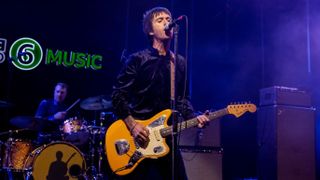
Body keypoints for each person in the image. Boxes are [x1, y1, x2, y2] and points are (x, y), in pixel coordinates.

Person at [112, 7, 209, 180]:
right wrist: (133, 125)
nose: (166, 22)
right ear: (150, 31)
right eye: (160, 20)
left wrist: (194, 118)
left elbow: (182, 99)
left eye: (168, 18)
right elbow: (118, 95)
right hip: (138, 136)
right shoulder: (138, 59)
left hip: (166, 137)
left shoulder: (179, 62)